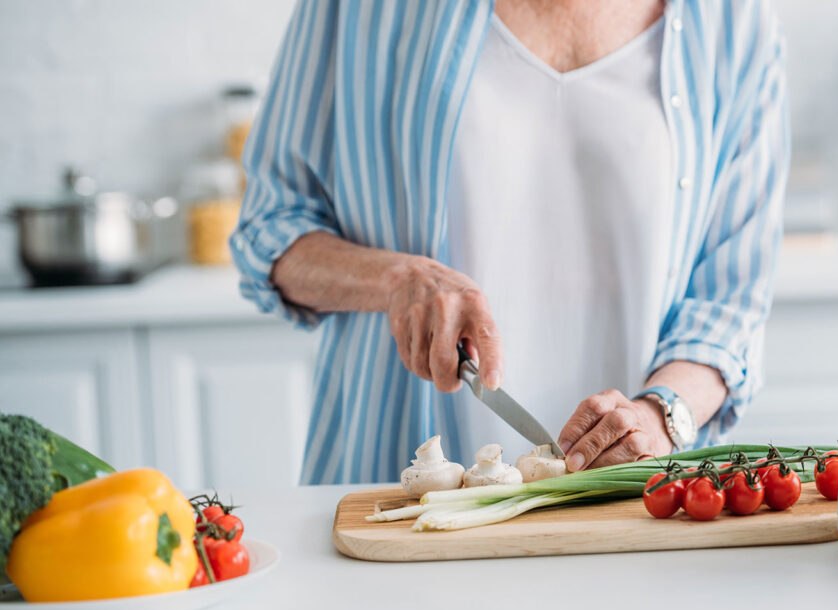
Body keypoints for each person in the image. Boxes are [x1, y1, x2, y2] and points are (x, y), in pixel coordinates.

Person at [230, 0, 789, 484]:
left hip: (631, 509)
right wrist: (396, 279)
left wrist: (660, 415)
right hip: (394, 502)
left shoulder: (735, 21)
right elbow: (271, 226)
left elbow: (728, 305)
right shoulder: (359, 11)